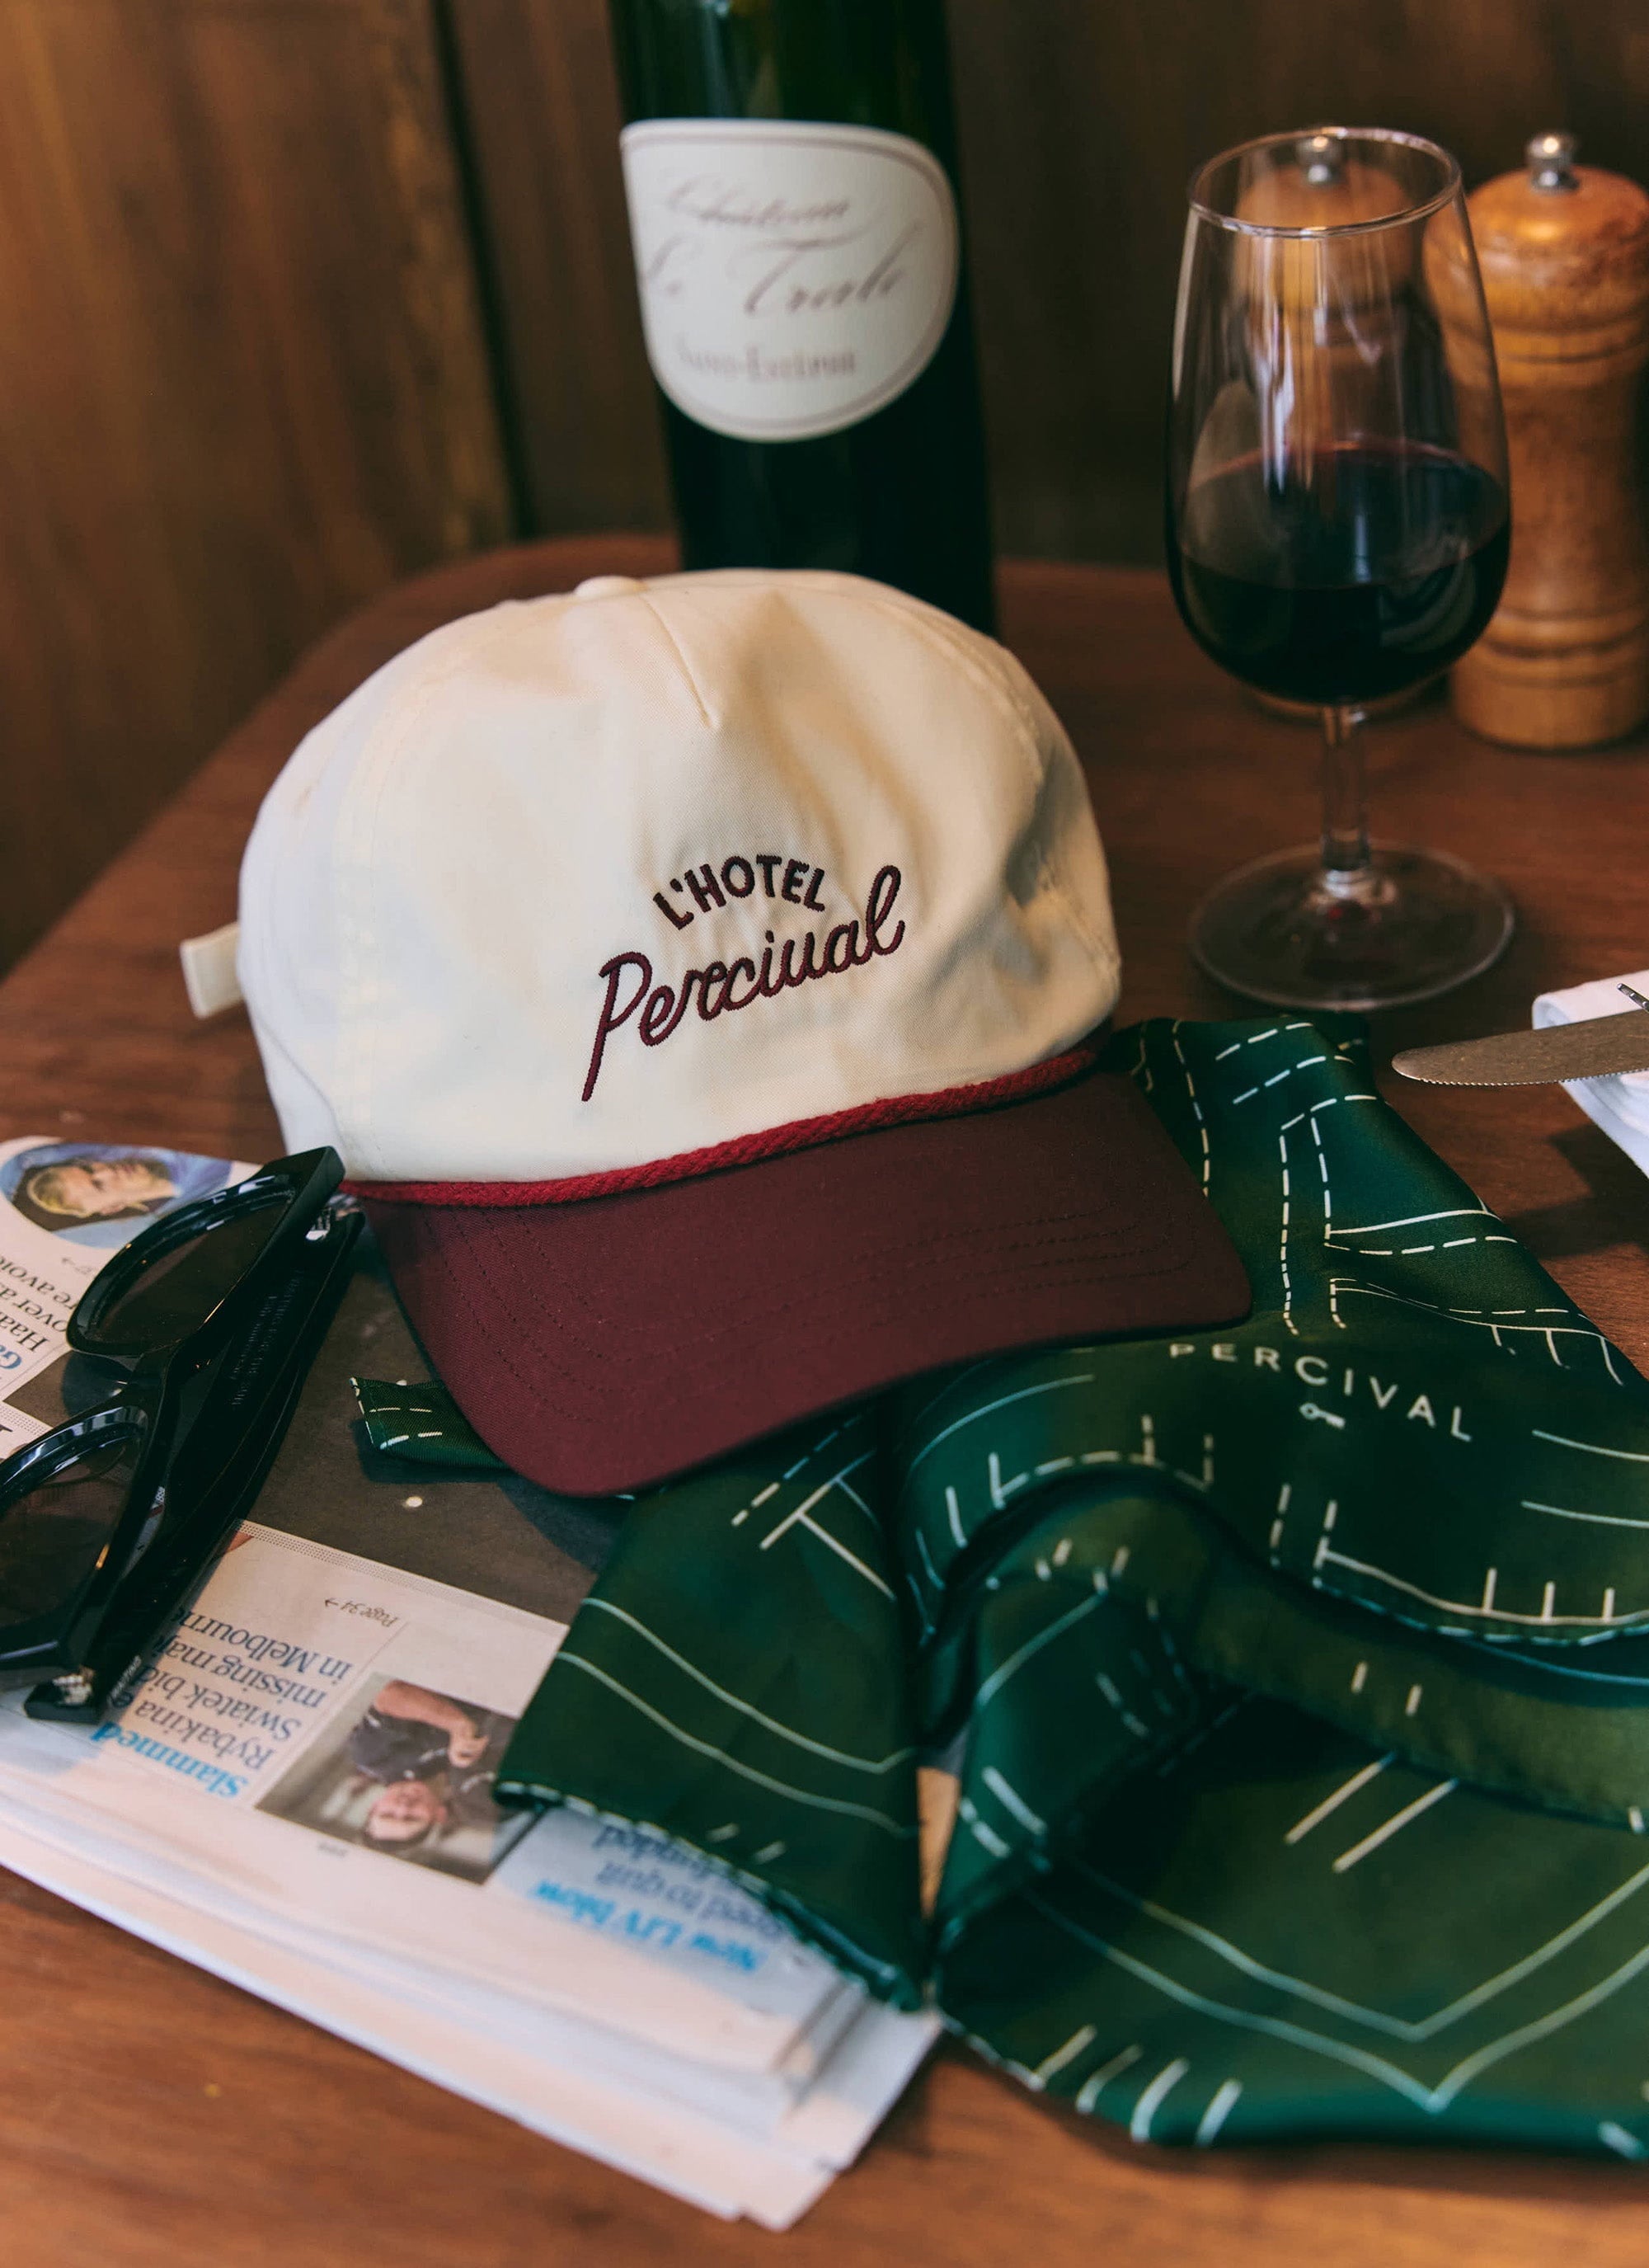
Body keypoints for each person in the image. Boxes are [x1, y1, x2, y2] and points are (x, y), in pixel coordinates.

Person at [346, 1680, 515, 1855]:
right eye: (412, 1818)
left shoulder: (373, 1758)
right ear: (439, 1816)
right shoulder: (475, 1788)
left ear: (375, 1806)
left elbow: (392, 1696)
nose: (403, 1807)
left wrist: (457, 1725)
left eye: (387, 1814)